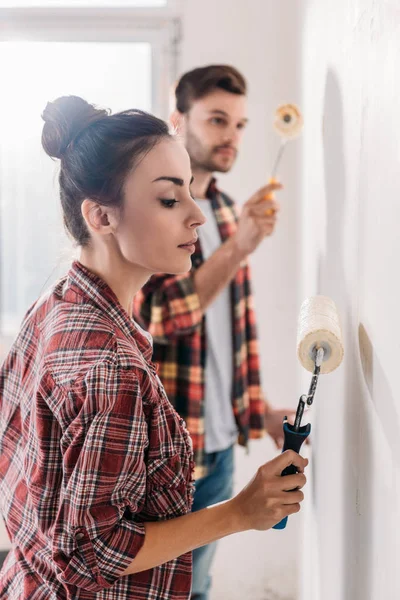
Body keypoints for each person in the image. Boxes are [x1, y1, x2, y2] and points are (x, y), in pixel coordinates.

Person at [0, 96, 307, 600]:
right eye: (169, 200)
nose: (196, 217)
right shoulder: (111, 365)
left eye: (189, 191)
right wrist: (240, 511)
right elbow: (91, 553)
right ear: (101, 216)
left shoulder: (56, 303)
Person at [133, 64, 296, 599]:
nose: (231, 136)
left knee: (198, 587)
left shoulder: (226, 208)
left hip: (222, 448)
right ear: (177, 120)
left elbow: (229, 334)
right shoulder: (153, 214)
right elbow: (162, 320)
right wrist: (239, 246)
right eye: (217, 120)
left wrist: (259, 408)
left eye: (241, 124)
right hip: (172, 454)